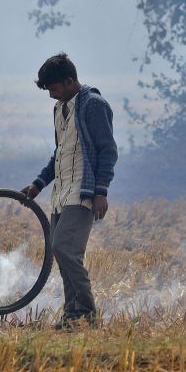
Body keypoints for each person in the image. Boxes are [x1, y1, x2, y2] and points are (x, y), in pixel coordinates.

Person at [21, 53, 117, 329]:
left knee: (63, 248)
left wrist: (101, 191)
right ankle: (72, 315)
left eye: (53, 88)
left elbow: (107, 151)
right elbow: (60, 153)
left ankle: (86, 312)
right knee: (63, 255)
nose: (51, 95)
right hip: (61, 193)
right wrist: (39, 183)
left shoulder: (94, 105)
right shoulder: (59, 110)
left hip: (83, 191)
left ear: (69, 81)